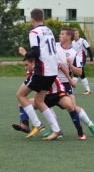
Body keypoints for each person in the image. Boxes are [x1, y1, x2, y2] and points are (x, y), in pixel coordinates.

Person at [44, 27, 94, 138]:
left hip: (65, 84)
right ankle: (55, 129)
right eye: (60, 33)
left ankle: (90, 125)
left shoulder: (74, 54)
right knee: (44, 104)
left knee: (73, 107)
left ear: (69, 37)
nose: (59, 36)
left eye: (62, 34)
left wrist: (70, 65)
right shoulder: (54, 46)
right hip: (51, 81)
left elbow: (79, 72)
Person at [13, 56, 86, 140]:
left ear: (33, 63)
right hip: (44, 96)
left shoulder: (46, 65)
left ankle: (80, 132)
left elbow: (60, 66)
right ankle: (25, 125)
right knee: (22, 104)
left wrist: (69, 79)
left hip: (57, 93)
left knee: (70, 106)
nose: (25, 68)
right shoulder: (30, 74)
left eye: (26, 65)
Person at [16, 8, 61, 141]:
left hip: (43, 70)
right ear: (43, 18)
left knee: (20, 95)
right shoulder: (49, 31)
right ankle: (56, 129)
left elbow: (35, 52)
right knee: (39, 101)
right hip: (53, 70)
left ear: (32, 20)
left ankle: (37, 124)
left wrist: (24, 53)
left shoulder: (34, 32)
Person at [72, 28, 94, 95]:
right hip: (75, 60)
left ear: (79, 34)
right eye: (74, 33)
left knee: (76, 74)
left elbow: (89, 50)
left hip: (81, 60)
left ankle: (70, 90)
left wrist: (91, 60)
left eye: (76, 33)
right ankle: (88, 90)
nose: (75, 35)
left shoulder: (83, 41)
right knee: (82, 75)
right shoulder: (72, 42)